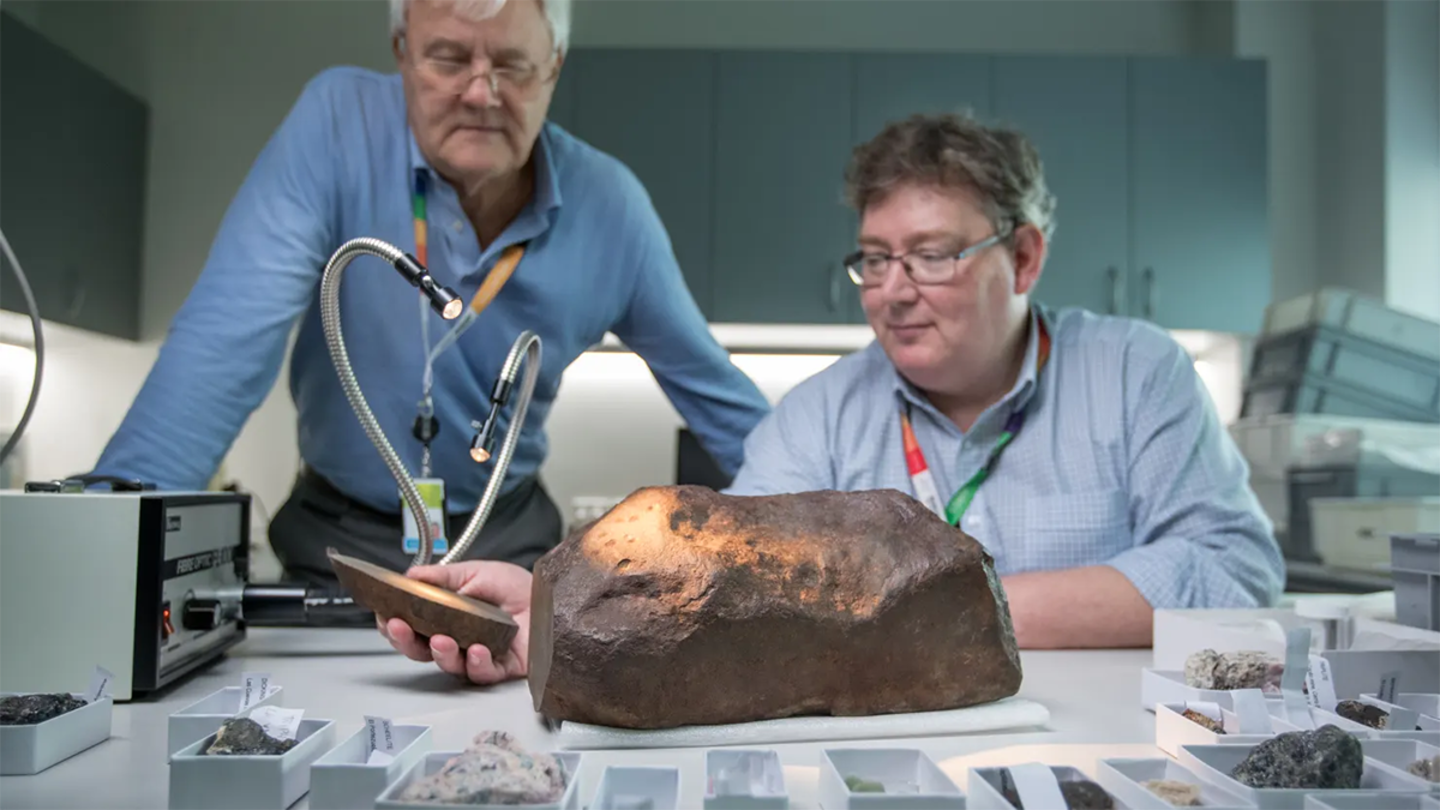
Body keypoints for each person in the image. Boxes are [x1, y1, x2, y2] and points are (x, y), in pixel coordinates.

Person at [379, 113, 1285, 684]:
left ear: (1026, 256)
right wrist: (550, 609)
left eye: (932, 255)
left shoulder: (1139, 375)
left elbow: (1233, 574)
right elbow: (716, 588)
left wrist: (945, 604)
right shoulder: (816, 416)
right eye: (875, 259)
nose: (893, 290)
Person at [89, 0, 769, 586]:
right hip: (336, 546)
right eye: (448, 59)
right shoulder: (335, 124)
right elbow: (224, 342)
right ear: (401, 51)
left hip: (509, 551)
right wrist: (106, 546)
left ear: (555, 64)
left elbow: (728, 411)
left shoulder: (612, 207)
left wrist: (849, 531)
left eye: (512, 65)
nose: (481, 93)